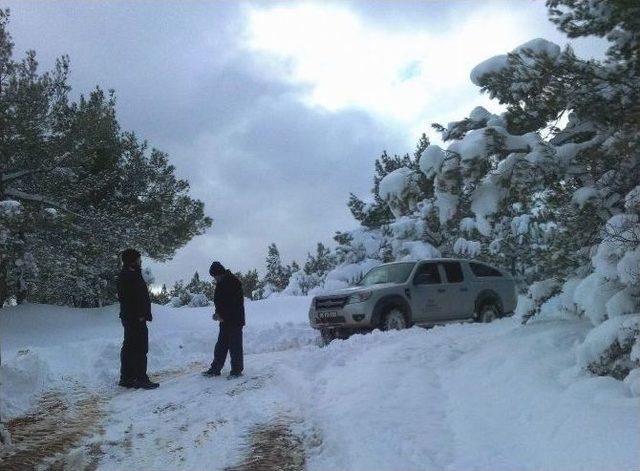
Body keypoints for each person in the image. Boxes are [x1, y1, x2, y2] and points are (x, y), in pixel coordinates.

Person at [117, 249, 159, 390]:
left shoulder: (131, 273)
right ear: (132, 260)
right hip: (135, 319)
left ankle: (127, 377)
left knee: (129, 347)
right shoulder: (128, 276)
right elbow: (128, 299)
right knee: (140, 348)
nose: (140, 261)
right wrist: (139, 314)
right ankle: (141, 378)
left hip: (132, 317)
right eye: (138, 259)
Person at [203, 261, 245, 379]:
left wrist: (223, 316)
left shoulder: (233, 282)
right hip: (225, 321)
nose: (214, 278)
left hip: (235, 320)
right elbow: (221, 303)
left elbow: (234, 304)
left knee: (235, 346)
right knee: (221, 346)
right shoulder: (221, 282)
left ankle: (236, 371)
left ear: (220, 273)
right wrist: (217, 314)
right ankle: (215, 369)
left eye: (215, 276)